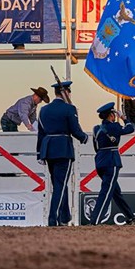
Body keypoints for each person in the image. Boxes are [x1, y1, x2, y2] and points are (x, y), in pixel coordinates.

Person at [36, 80, 89, 226]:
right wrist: (84, 138)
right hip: (63, 149)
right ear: (65, 92)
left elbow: (41, 133)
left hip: (48, 149)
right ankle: (53, 218)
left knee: (59, 183)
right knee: (60, 185)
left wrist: (39, 153)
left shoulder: (44, 110)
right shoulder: (69, 109)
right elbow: (75, 130)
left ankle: (64, 217)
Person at [89, 102, 135, 226]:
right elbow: (130, 128)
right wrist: (124, 118)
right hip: (112, 161)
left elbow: (96, 146)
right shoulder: (115, 126)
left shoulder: (96, 129)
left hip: (100, 161)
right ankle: (95, 219)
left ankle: (130, 216)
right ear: (111, 115)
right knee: (106, 191)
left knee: (115, 191)